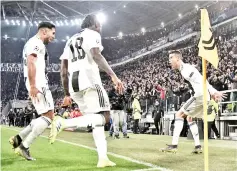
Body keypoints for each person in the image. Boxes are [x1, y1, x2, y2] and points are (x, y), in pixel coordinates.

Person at [49, 14, 124, 168]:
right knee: (105, 117)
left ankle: (102, 158)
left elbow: (63, 70)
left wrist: (67, 94)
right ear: (95, 23)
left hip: (74, 84)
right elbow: (96, 55)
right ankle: (63, 123)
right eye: (99, 24)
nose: (101, 27)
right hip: (89, 81)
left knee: (95, 120)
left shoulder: (70, 40)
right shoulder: (93, 34)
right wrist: (113, 76)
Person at [161, 50, 226, 154]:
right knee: (190, 118)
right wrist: (212, 92)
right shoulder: (184, 69)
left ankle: (174, 145)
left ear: (177, 58)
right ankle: (198, 146)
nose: (169, 61)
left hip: (200, 96)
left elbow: (201, 80)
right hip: (203, 96)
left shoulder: (186, 70)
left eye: (171, 58)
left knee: (179, 114)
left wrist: (212, 91)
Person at [9, 22, 56, 160]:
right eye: (52, 33)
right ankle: (25, 146)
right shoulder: (36, 43)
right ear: (44, 32)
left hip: (37, 82)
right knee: (48, 116)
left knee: (44, 115)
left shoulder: (32, 43)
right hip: (39, 83)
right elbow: (31, 62)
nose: (53, 37)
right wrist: (34, 85)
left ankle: (19, 138)